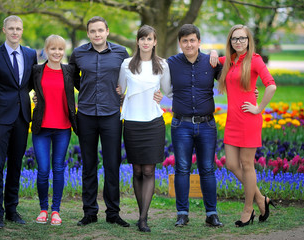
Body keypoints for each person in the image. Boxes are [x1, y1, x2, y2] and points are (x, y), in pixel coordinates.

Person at [68, 16, 131, 227]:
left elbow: (130, 75)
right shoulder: (78, 54)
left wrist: (123, 89)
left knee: (112, 164)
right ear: (88, 33)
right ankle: (90, 212)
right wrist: (86, 89)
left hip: (111, 113)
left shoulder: (121, 53)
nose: (97, 34)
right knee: (89, 164)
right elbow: (73, 77)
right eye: (93, 31)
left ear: (107, 31)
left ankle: (113, 212)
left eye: (100, 31)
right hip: (85, 113)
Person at [0, 15, 37, 228]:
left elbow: (30, 84)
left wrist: (34, 96)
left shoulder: (31, 54)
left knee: (16, 166)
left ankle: (12, 210)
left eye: (19, 28)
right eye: (11, 28)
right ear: (4, 30)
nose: (15, 32)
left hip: (22, 118)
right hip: (0, 122)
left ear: (22, 31)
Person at [218, 24, 276, 227]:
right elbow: (212, 61)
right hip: (232, 121)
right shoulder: (229, 61)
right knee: (232, 164)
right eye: (234, 39)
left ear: (248, 40)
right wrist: (211, 52)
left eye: (242, 38)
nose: (238, 42)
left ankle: (248, 208)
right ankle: (262, 199)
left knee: (247, 165)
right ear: (230, 42)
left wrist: (259, 108)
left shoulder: (255, 60)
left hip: (249, 120)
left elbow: (271, 85)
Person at [167, 24, 224, 228]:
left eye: (192, 40)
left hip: (207, 125)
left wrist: (251, 93)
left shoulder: (211, 62)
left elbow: (234, 76)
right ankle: (182, 213)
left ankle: (211, 213)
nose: (189, 44)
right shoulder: (171, 63)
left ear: (199, 42)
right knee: (182, 168)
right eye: (185, 41)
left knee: (208, 169)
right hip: (180, 124)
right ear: (180, 43)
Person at [117, 25, 171, 232]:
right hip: (131, 121)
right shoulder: (126, 64)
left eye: (150, 39)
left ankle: (143, 218)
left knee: (149, 169)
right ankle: (142, 213)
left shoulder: (163, 65)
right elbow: (120, 89)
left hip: (153, 122)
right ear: (137, 41)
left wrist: (161, 96)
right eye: (143, 39)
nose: (146, 42)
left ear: (155, 42)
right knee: (137, 169)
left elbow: (168, 90)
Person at [31, 35, 77, 226]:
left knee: (58, 169)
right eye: (53, 49)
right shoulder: (36, 70)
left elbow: (88, 85)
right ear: (46, 50)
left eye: (60, 49)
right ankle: (43, 209)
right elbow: (21, 87)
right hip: (41, 127)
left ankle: (56, 210)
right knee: (43, 170)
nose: (57, 52)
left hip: (63, 128)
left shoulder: (70, 71)